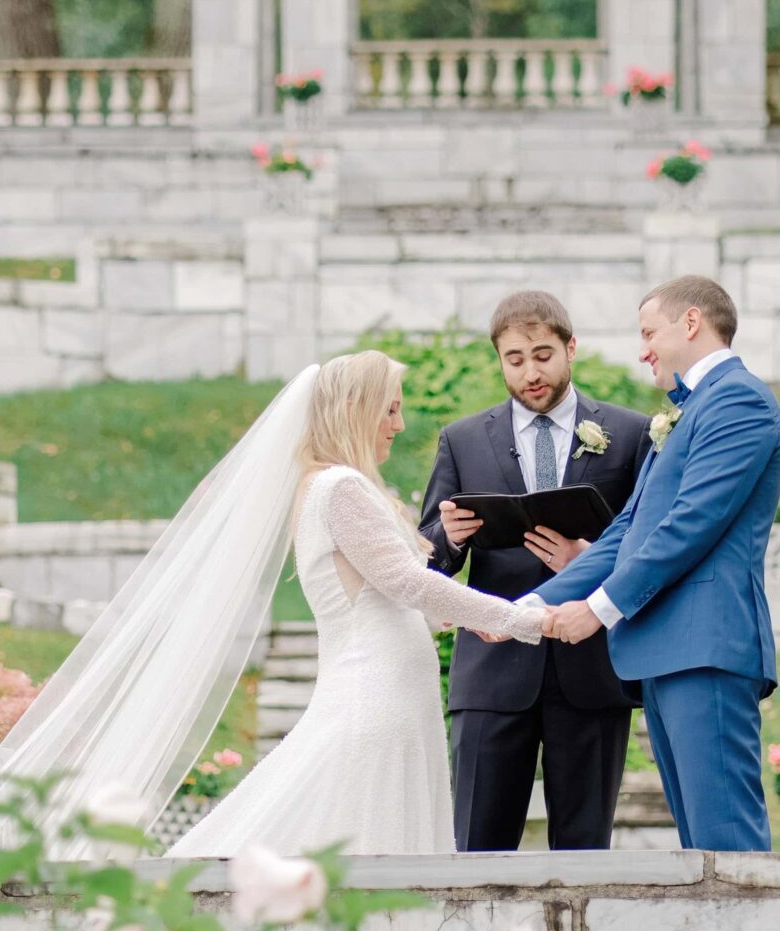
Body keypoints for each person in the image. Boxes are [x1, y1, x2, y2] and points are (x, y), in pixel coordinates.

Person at [166, 352, 549, 856]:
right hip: (377, 697)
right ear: (354, 408)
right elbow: (406, 582)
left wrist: (457, 620)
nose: (400, 424)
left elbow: (377, 596)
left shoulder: (330, 485)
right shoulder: (341, 487)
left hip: (390, 693)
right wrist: (516, 617)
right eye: (389, 410)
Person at [529, 275, 780, 852]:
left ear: (690, 323)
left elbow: (690, 525)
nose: (643, 349)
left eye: (649, 333)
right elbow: (628, 532)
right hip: (668, 653)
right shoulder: (687, 412)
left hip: (707, 648)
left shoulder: (738, 400)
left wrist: (597, 611)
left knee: (727, 845)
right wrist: (525, 608)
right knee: (699, 850)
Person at [418, 291, 651, 850]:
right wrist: (446, 539)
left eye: (543, 355)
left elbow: (649, 544)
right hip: (492, 669)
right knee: (476, 848)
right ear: (499, 360)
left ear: (571, 349)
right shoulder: (463, 439)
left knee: (584, 852)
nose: (531, 372)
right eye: (515, 359)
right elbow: (427, 560)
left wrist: (586, 562)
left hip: (592, 668)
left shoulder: (632, 432)